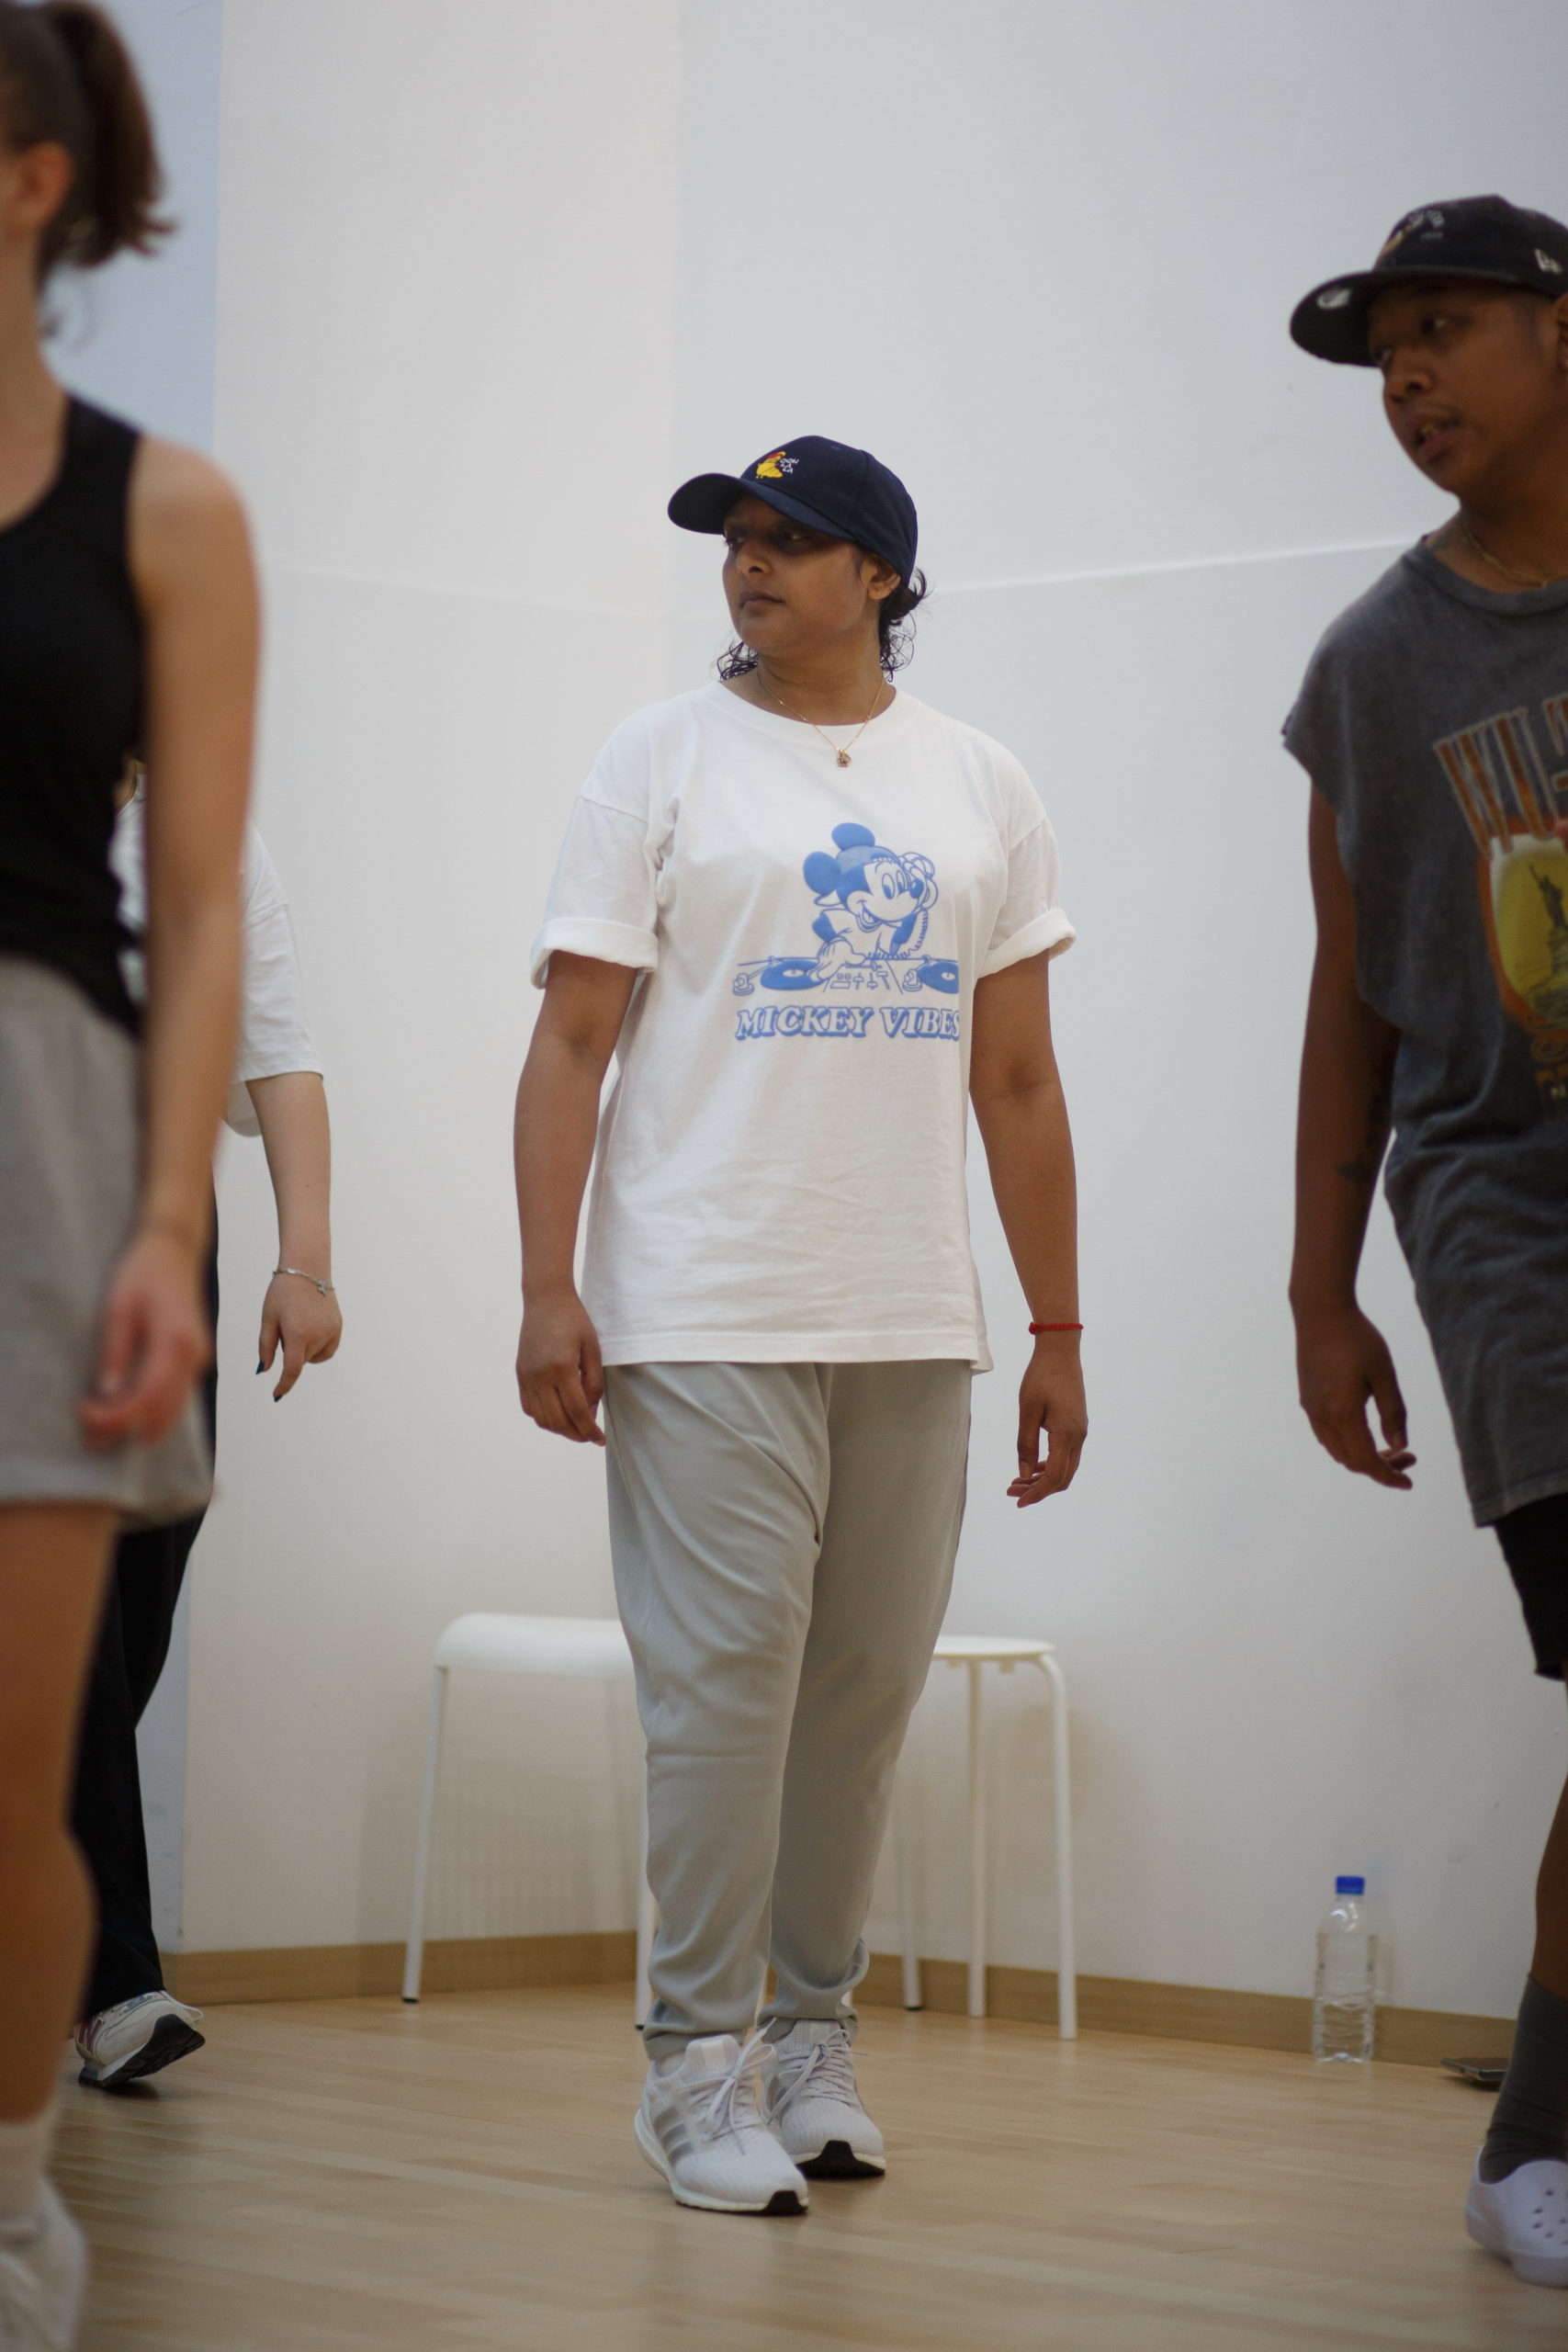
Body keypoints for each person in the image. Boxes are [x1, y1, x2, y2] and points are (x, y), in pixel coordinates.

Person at [514, 435, 1084, 2217]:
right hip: (701, 1296)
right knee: (724, 1686)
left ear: (883, 576)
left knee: (858, 1695)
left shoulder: (979, 779)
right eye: (736, 539)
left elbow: (1016, 1075)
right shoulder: (658, 756)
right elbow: (570, 1045)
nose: (750, 564)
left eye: (792, 539)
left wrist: (1057, 1323)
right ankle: (692, 2063)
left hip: (908, 1306)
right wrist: (547, 1284)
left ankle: (810, 2035)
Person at [0, 5, 256, 2342]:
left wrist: (173, 1219)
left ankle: (8, 2221)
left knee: (20, 1777)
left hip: (43, 1123)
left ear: (33, 182)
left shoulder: (165, 512)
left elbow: (196, 910)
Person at [1286, 195, 1568, 2291]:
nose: (1405, 375)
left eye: (1445, 327)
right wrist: (1320, 1289)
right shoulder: (1375, 669)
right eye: (1384, 347)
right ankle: (1532, 2147)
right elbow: (1348, 992)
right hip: (1506, 1215)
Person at [69, 772, 340, 2094]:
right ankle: (113, 1980)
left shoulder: (205, 827)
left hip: (167, 1228)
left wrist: (308, 1262)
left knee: (141, 1587)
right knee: (70, 1616)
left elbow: (278, 1052)